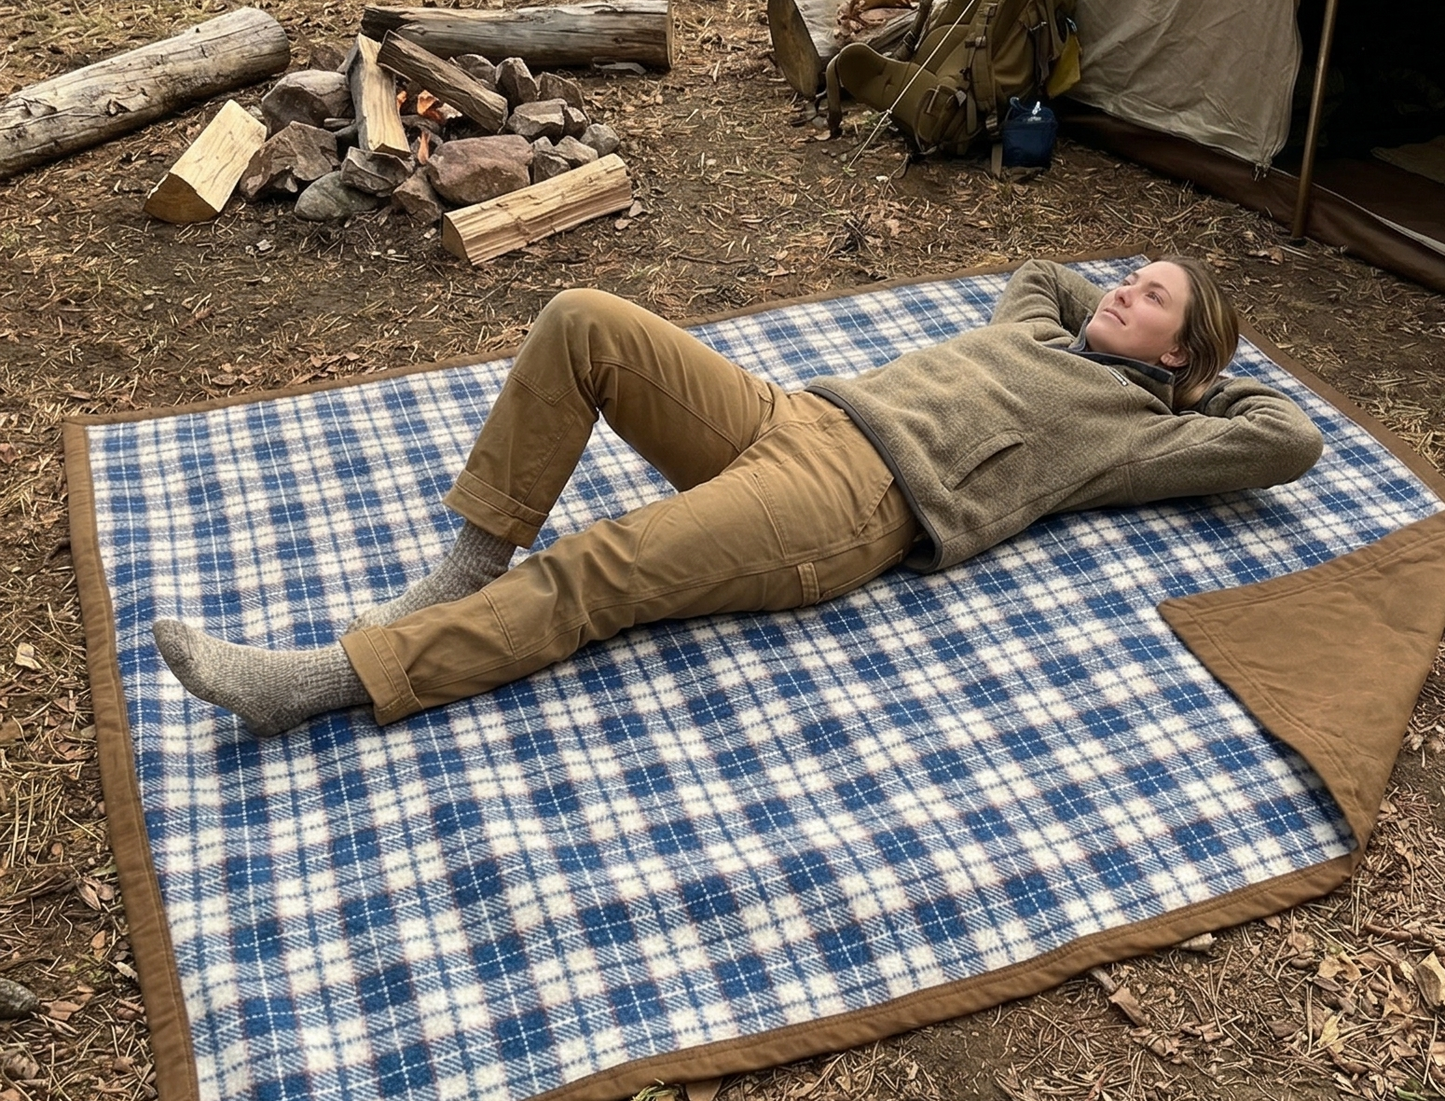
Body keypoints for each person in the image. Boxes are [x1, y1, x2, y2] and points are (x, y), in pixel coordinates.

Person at [154, 258, 1323, 736]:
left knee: (598, 567)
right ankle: (467, 561)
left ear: (1182, 352)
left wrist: (1194, 386)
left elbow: (1285, 439)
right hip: (788, 413)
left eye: (1151, 296)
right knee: (583, 318)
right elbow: (1042, 275)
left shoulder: (1133, 431)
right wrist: (1118, 314)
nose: (1119, 290)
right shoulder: (1037, 324)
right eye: (1130, 277)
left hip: (851, 498)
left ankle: (324, 680)